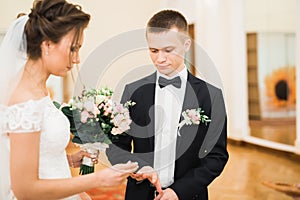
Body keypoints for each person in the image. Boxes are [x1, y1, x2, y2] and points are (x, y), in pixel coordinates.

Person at [0, 0, 138, 199]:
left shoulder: (40, 89)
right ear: (47, 45)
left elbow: (34, 156)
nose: (77, 58)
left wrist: (69, 159)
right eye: (73, 49)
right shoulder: (24, 99)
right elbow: (25, 189)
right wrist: (98, 179)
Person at [106, 9, 229, 200]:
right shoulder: (133, 91)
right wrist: (137, 168)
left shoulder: (211, 96)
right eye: (153, 50)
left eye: (168, 50)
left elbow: (216, 157)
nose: (159, 59)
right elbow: (116, 147)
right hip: (139, 194)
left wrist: (179, 191)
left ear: (186, 44)